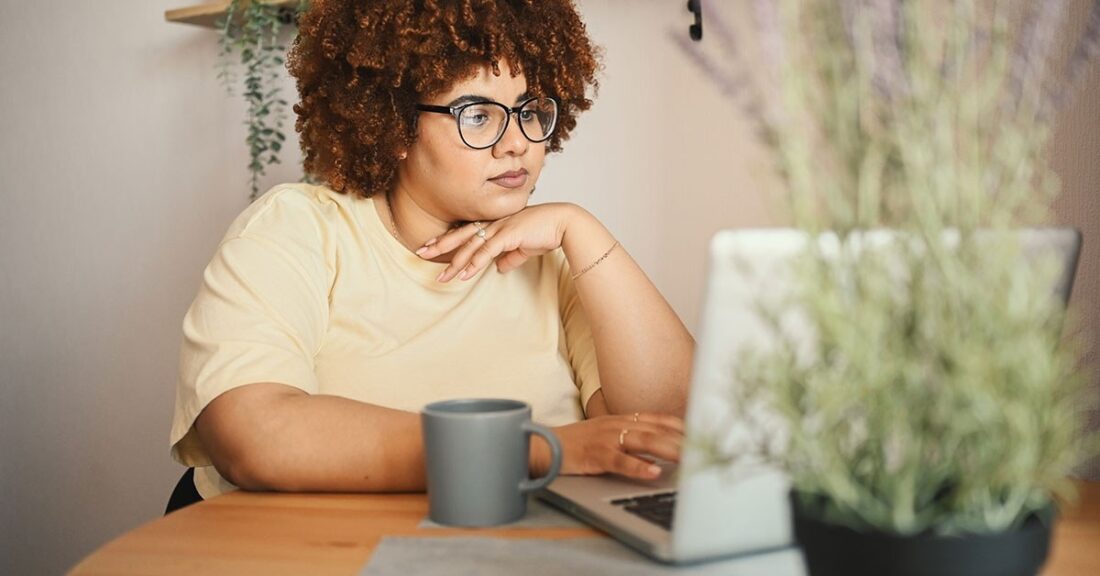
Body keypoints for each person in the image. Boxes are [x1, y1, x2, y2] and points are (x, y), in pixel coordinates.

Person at [168, 0, 694, 505]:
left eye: (529, 110)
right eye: (478, 115)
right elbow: (252, 433)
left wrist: (583, 230)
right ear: (396, 124)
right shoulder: (297, 230)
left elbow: (668, 431)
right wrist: (529, 450)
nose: (518, 143)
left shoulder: (553, 258)